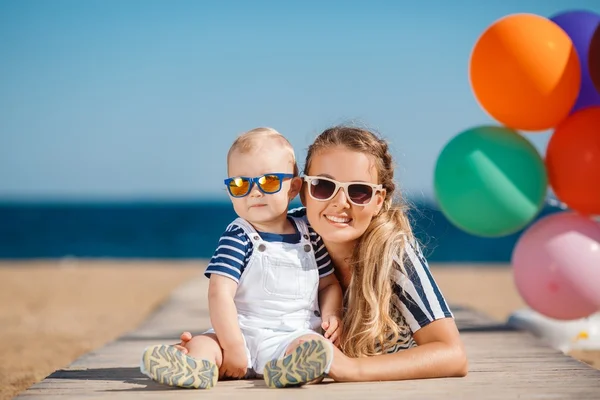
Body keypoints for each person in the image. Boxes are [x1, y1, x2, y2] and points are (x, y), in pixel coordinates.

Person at [176, 125, 468, 386]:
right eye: (324, 186)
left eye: (359, 192)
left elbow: (452, 354)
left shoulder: (392, 254)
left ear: (379, 200)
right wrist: (215, 348)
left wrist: (352, 369)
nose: (339, 203)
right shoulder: (282, 232)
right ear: (303, 190)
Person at [140, 127, 343, 389]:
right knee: (204, 344)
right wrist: (233, 345)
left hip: (292, 335)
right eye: (239, 184)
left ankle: (289, 371)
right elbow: (219, 293)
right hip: (239, 333)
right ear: (230, 191)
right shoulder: (239, 236)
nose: (254, 192)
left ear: (293, 188)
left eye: (268, 181)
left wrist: (332, 315)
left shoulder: (309, 234)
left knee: (316, 350)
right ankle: (192, 366)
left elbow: (329, 284)